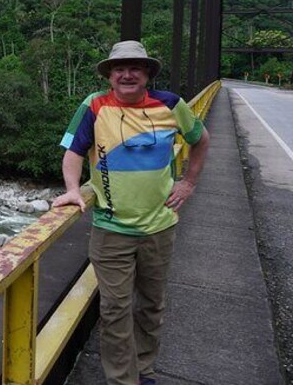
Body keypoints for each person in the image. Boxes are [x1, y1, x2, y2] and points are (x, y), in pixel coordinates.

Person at [53, 40, 210, 385]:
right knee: (114, 310)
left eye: (135, 68)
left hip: (160, 227)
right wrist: (72, 190)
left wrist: (188, 184)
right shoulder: (94, 106)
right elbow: (74, 152)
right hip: (111, 230)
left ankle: (146, 370)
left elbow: (200, 140)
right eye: (119, 68)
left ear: (147, 74)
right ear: (109, 76)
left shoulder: (170, 104)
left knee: (152, 306)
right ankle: (124, 380)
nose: (127, 74)